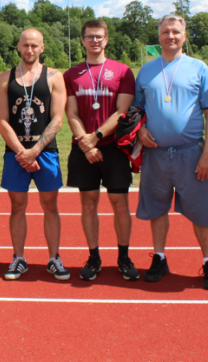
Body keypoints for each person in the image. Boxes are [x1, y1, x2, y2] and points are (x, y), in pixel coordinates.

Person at [134, 14, 208, 290]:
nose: (170, 36)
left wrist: (207, 154)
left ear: (184, 35)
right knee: (157, 208)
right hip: (156, 154)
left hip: (191, 154)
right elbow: (136, 110)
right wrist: (140, 130)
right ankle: (159, 257)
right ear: (158, 36)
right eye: (165, 32)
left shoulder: (199, 68)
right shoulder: (146, 71)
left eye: (175, 31)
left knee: (200, 212)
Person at [64, 20, 139, 282]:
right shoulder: (71, 74)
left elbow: (122, 111)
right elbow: (71, 113)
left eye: (99, 36)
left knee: (120, 204)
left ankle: (124, 258)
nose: (94, 41)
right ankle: (94, 257)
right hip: (83, 149)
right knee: (88, 204)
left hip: (113, 148)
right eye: (89, 37)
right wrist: (85, 145)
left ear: (106, 39)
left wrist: (95, 138)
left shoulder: (123, 71)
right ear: (82, 40)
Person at [0, 29, 69, 281]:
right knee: (17, 206)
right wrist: (22, 152)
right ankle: (18, 258)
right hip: (15, 154)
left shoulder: (54, 77)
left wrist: (35, 151)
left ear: (42, 47)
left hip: (45, 152)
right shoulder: (4, 78)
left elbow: (57, 119)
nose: (29, 50)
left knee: (50, 206)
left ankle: (54, 258)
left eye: (34, 45)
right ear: (18, 46)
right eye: (25, 45)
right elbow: (2, 121)